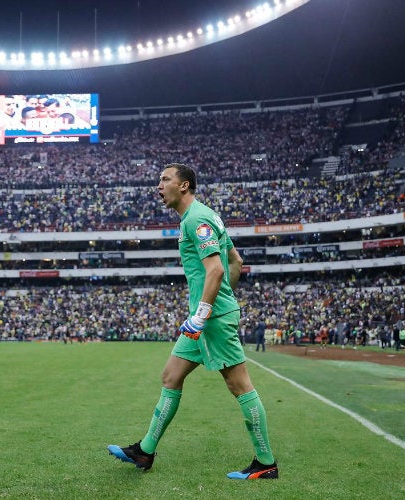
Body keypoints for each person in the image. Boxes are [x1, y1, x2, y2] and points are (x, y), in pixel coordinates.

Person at [108, 163, 278, 480]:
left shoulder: (197, 220)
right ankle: (145, 452)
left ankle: (266, 462)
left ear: (183, 185)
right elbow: (235, 262)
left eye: (164, 179)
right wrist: (221, 301)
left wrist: (205, 314)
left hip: (208, 318)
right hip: (208, 315)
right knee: (171, 376)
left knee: (239, 385)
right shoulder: (203, 215)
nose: (158, 185)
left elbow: (216, 270)